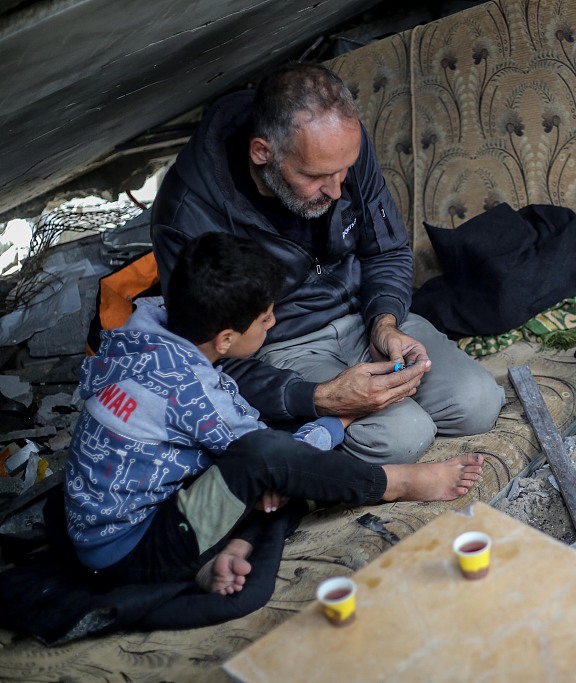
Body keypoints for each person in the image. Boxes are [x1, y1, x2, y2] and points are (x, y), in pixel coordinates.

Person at [64, 233, 484, 596]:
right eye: (265, 318)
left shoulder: (143, 329)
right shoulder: (190, 392)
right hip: (133, 551)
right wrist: (339, 419)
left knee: (278, 454)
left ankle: (231, 551)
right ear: (226, 339)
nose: (273, 322)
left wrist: (323, 428)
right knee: (285, 463)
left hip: (113, 520)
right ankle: (395, 483)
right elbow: (269, 456)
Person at [151, 62, 504, 465]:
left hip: (366, 317)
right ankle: (302, 442)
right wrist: (318, 398)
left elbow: (386, 250)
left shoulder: (337, 149)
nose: (337, 190)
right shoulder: (187, 215)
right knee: (405, 435)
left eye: (345, 171)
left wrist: (384, 323)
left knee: (479, 402)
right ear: (262, 152)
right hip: (282, 347)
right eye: (317, 176)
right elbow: (208, 356)